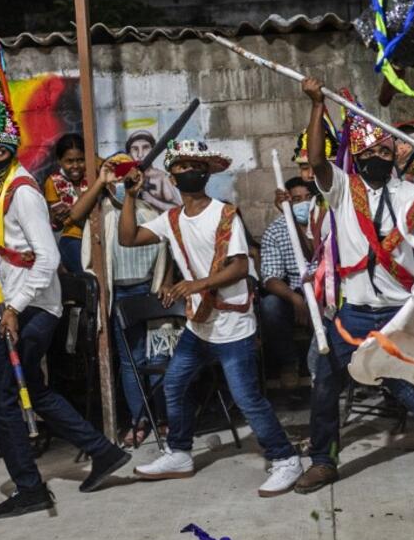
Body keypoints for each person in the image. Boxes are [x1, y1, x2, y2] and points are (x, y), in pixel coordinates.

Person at [0, 47, 129, 518]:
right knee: (35, 387)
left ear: (11, 151)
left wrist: (14, 307)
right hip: (21, 305)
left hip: (31, 309)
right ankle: (104, 450)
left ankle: (30, 487)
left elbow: (48, 256)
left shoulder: (24, 192)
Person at [293, 77, 414, 495]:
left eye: (385, 151)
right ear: (357, 154)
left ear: (395, 156)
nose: (377, 156)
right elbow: (317, 159)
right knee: (326, 381)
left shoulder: (410, 193)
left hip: (400, 311)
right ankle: (323, 460)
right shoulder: (340, 190)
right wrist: (318, 105)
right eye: (369, 152)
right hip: (353, 312)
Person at [118, 139, 303, 497]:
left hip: (233, 326)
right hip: (199, 326)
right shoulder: (171, 219)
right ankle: (180, 453)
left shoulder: (224, 214)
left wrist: (196, 284)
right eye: (183, 167)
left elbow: (239, 266)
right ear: (172, 177)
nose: (191, 172)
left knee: (247, 398)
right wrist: (129, 195)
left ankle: (285, 458)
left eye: (197, 166)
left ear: (207, 172)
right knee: (174, 384)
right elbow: (128, 238)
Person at [68, 152, 170, 448]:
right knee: (131, 361)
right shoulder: (101, 213)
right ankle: (139, 420)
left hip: (149, 291)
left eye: (128, 171)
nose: (122, 177)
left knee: (159, 357)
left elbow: (168, 250)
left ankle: (162, 418)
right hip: (120, 295)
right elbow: (74, 216)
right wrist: (101, 180)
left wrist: (165, 281)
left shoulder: (149, 210)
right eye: (117, 172)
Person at [260, 177, 316, 389]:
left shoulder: (326, 222)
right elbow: (269, 278)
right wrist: (295, 298)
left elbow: (313, 253)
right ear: (287, 202)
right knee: (270, 306)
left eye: (308, 198)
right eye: (296, 199)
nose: (303, 203)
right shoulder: (275, 231)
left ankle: (323, 364)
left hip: (323, 289)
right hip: (294, 290)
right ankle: (288, 363)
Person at [43, 133, 88, 274]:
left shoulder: (93, 175)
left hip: (97, 235)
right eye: (69, 161)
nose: (75, 166)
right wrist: (57, 219)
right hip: (74, 237)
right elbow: (58, 225)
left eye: (80, 160)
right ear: (60, 161)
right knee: (86, 275)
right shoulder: (53, 183)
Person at [125, 130, 182, 212]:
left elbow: (178, 209)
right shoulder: (125, 178)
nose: (140, 155)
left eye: (145, 148)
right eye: (135, 149)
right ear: (129, 153)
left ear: (153, 150)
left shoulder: (162, 178)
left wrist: (152, 200)